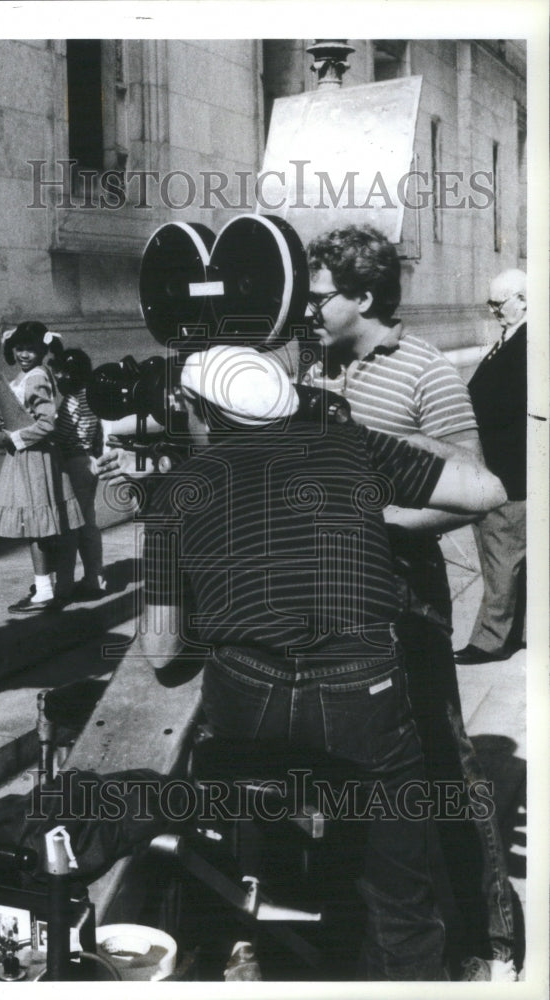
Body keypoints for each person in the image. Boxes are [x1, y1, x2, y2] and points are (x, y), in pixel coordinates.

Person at [112, 343, 506, 980]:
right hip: (362, 692)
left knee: (260, 841)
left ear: (198, 408)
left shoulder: (175, 492)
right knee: (399, 890)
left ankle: (261, 943)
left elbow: (161, 653)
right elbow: (487, 488)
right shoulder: (351, 448)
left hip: (246, 695)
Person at [300, 225, 518, 981]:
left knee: (441, 757)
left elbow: (472, 487)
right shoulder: (315, 362)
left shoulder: (423, 371)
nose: (308, 303)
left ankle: (488, 928)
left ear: (362, 296)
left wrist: (380, 516)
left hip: (404, 594)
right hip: (329, 597)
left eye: (321, 293)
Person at [454, 269, 527, 664]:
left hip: (507, 471)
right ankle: (517, 631)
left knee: (501, 555)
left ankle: (490, 640)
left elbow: (508, 408)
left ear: (524, 300)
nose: (493, 311)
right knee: (511, 557)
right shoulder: (512, 338)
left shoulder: (526, 344)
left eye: (499, 304)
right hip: (505, 467)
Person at [0, 321, 84, 614]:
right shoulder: (29, 375)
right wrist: (9, 422)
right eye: (20, 348)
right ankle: (52, 585)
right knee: (43, 525)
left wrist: (16, 435)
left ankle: (43, 591)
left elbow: (46, 423)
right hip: (33, 457)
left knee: (37, 527)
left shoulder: (36, 377)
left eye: (32, 348)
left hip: (34, 458)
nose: (25, 353)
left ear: (43, 350)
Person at [50, 347, 107, 601]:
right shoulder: (92, 396)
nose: (58, 378)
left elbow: (61, 434)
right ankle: (95, 577)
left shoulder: (73, 400)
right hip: (89, 461)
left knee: (71, 526)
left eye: (61, 373)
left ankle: (64, 585)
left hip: (74, 463)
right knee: (87, 523)